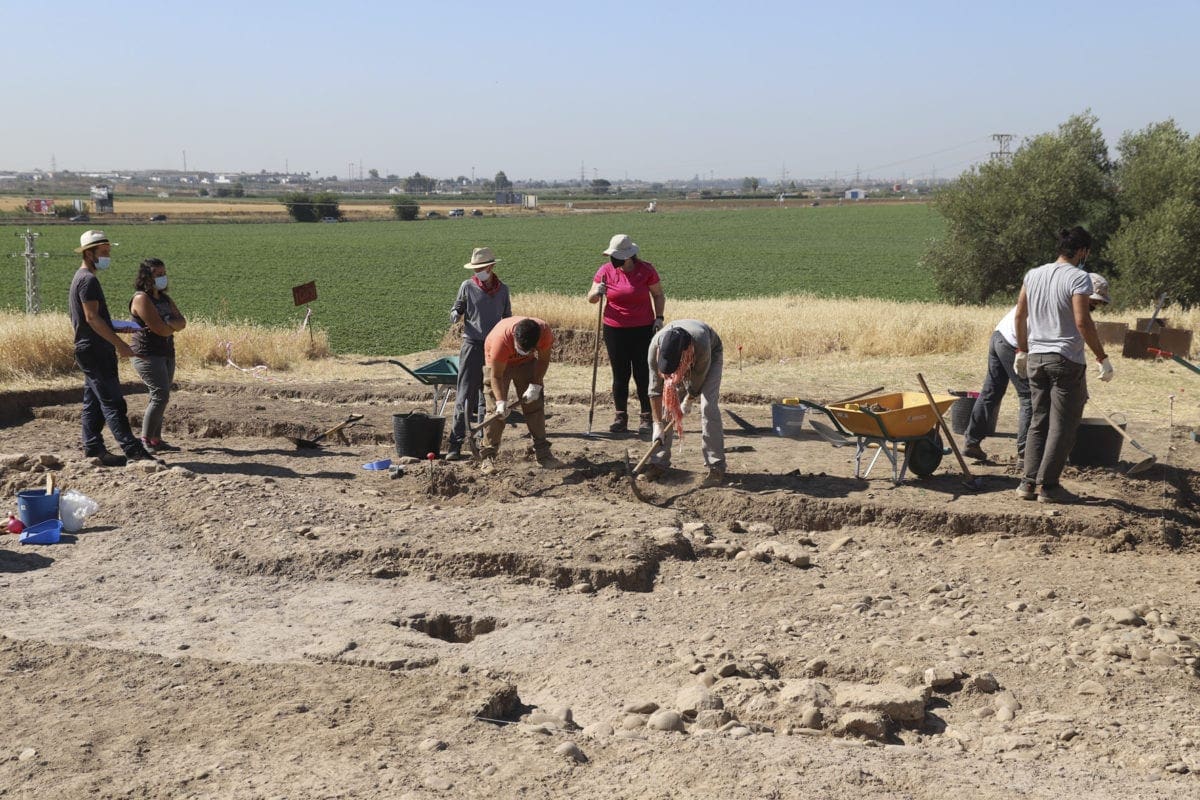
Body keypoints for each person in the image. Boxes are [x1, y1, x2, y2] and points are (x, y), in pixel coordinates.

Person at [963, 273, 1111, 463]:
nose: (1095, 306)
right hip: (1014, 343)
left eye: (1099, 303)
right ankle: (1026, 454)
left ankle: (972, 442)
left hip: (1000, 335)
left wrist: (1077, 384)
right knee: (1029, 397)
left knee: (991, 391)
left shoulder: (1060, 295)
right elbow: (1063, 351)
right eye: (1094, 301)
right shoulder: (1067, 308)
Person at [1014, 227, 1114, 504]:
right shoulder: (1079, 278)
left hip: (1036, 358)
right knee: (1064, 425)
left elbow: (1020, 315)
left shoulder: (1033, 274)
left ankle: (1027, 483)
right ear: (1082, 251)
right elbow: (1083, 322)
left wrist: (1022, 350)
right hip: (1065, 359)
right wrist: (1102, 357)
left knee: (1038, 421)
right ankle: (1049, 486)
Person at [68, 230, 154, 466]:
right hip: (96, 350)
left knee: (94, 402)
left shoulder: (81, 278)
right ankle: (134, 451)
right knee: (113, 402)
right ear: (89, 254)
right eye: (104, 252)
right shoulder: (88, 280)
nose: (107, 256)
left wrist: (116, 328)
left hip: (90, 348)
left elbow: (91, 319)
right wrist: (120, 344)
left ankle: (94, 449)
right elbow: (92, 318)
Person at [586, 234, 666, 435]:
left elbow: (658, 294)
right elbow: (591, 299)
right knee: (620, 374)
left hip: (643, 328)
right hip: (614, 329)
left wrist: (659, 317)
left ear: (628, 256)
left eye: (616, 256)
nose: (612, 260)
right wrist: (597, 292)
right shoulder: (605, 271)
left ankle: (646, 416)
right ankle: (620, 416)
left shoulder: (646, 270)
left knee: (642, 373)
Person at [641, 320, 725, 487]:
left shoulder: (701, 344)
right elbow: (655, 391)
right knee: (668, 403)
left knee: (708, 406)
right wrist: (657, 425)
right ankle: (658, 463)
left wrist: (688, 400)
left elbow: (698, 380)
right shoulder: (654, 348)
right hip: (683, 357)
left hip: (710, 353)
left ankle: (716, 466)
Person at [446, 247, 511, 460]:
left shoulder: (503, 290)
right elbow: (457, 309)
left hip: (494, 348)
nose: (478, 272)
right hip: (472, 345)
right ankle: (455, 443)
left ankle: (484, 442)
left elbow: (507, 318)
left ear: (491, 267)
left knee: (488, 397)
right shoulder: (467, 286)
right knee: (465, 394)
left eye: (481, 268)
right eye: (475, 269)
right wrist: (456, 312)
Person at [479, 317, 562, 474]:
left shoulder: (544, 333)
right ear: (515, 338)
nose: (526, 352)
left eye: (530, 350)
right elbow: (496, 376)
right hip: (498, 366)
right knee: (495, 413)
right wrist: (500, 402)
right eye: (522, 349)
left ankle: (543, 454)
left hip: (526, 364)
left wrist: (536, 384)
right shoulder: (500, 341)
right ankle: (488, 457)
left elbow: (543, 361)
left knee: (535, 406)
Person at [130, 258, 187, 453]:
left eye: (164, 274)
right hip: (147, 353)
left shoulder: (165, 299)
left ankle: (156, 439)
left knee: (161, 396)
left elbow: (182, 322)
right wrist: (171, 324)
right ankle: (145, 440)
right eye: (158, 274)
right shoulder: (141, 299)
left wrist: (168, 324)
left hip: (166, 352)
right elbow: (160, 329)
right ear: (147, 277)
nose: (163, 278)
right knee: (160, 395)